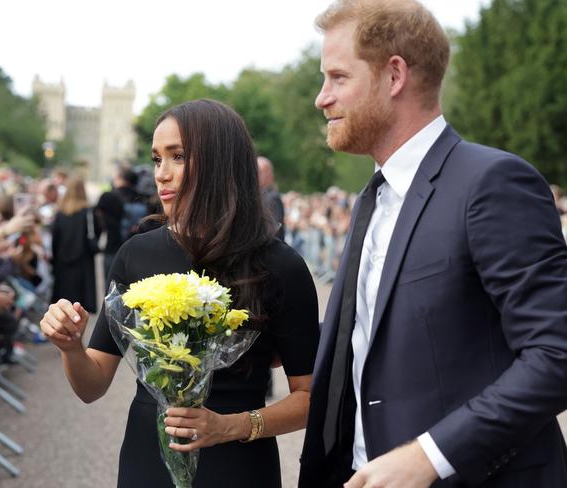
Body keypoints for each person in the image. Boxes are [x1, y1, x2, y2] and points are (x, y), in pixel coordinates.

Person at [299, 1, 567, 488]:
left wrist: (430, 456)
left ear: (394, 74)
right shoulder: (372, 199)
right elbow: (387, 334)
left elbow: (556, 352)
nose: (321, 98)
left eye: (337, 77)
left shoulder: (491, 182)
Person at [41, 99, 320, 487]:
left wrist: (231, 426)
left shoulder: (280, 265)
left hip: (237, 465)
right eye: (157, 159)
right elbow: (92, 386)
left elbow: (309, 397)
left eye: (178, 157)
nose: (162, 174)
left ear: (220, 162)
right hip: (146, 457)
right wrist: (70, 346)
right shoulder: (136, 254)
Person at [50, 175, 98, 313]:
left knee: (64, 303)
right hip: (83, 262)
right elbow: (96, 232)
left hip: (63, 263)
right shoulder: (88, 212)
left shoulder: (60, 213)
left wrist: (54, 261)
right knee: (80, 306)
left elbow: (55, 240)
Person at [257, 156, 285, 242]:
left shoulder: (272, 198)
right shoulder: (261, 196)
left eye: (259, 171)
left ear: (268, 174)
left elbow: (273, 231)